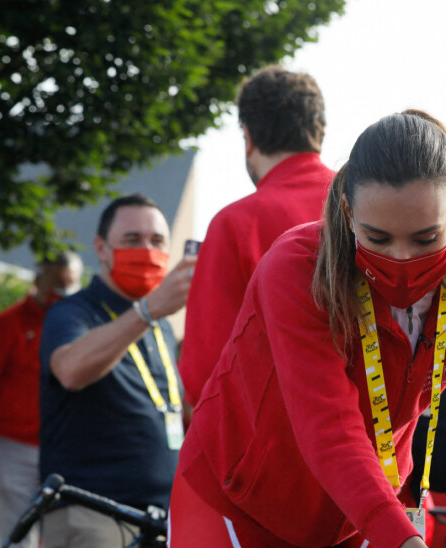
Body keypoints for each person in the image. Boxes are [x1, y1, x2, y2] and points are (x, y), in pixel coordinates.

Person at [169, 111, 446, 548]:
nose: (402, 259)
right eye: (377, 238)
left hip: (360, 510)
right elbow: (328, 423)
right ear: (348, 212)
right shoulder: (296, 267)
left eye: (427, 240)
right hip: (237, 502)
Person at [39, 193, 196, 548]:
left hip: (162, 517)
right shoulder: (73, 312)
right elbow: (70, 370)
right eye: (131, 240)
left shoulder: (161, 325)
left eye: (157, 241)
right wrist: (147, 311)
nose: (146, 250)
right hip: (91, 512)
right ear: (101, 248)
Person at [179, 65, 335, 409]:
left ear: (247, 137)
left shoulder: (235, 223)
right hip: (380, 445)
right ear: (319, 130)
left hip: (273, 442)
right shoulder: (364, 205)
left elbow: (207, 369)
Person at [0, 251, 84, 548]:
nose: (62, 294)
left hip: (65, 449)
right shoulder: (7, 324)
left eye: (69, 287)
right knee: (17, 535)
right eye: (56, 286)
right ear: (38, 281)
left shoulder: (81, 325)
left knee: (66, 535)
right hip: (13, 449)